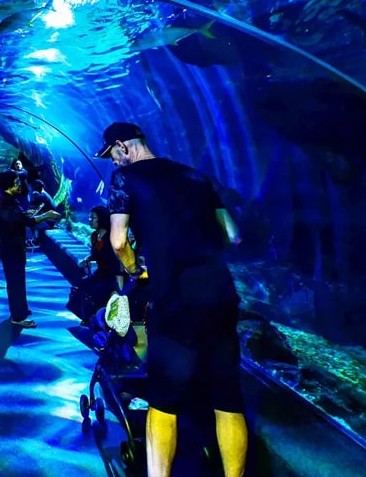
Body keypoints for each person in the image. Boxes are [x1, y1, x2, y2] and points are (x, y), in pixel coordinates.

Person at [96, 122, 246, 477]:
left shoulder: (126, 178)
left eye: (113, 155)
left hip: (176, 300)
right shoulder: (195, 175)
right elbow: (233, 235)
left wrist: (136, 270)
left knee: (163, 401)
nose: (114, 163)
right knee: (228, 399)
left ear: (123, 147)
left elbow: (118, 242)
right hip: (221, 296)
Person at [0, 169, 50, 328]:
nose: (20, 184)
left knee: (18, 280)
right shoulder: (5, 201)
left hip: (13, 248)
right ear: (9, 184)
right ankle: (18, 317)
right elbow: (25, 220)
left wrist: (27, 214)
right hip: (10, 249)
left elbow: (20, 217)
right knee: (15, 282)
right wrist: (47, 215)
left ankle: (21, 309)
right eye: (17, 182)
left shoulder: (8, 199)